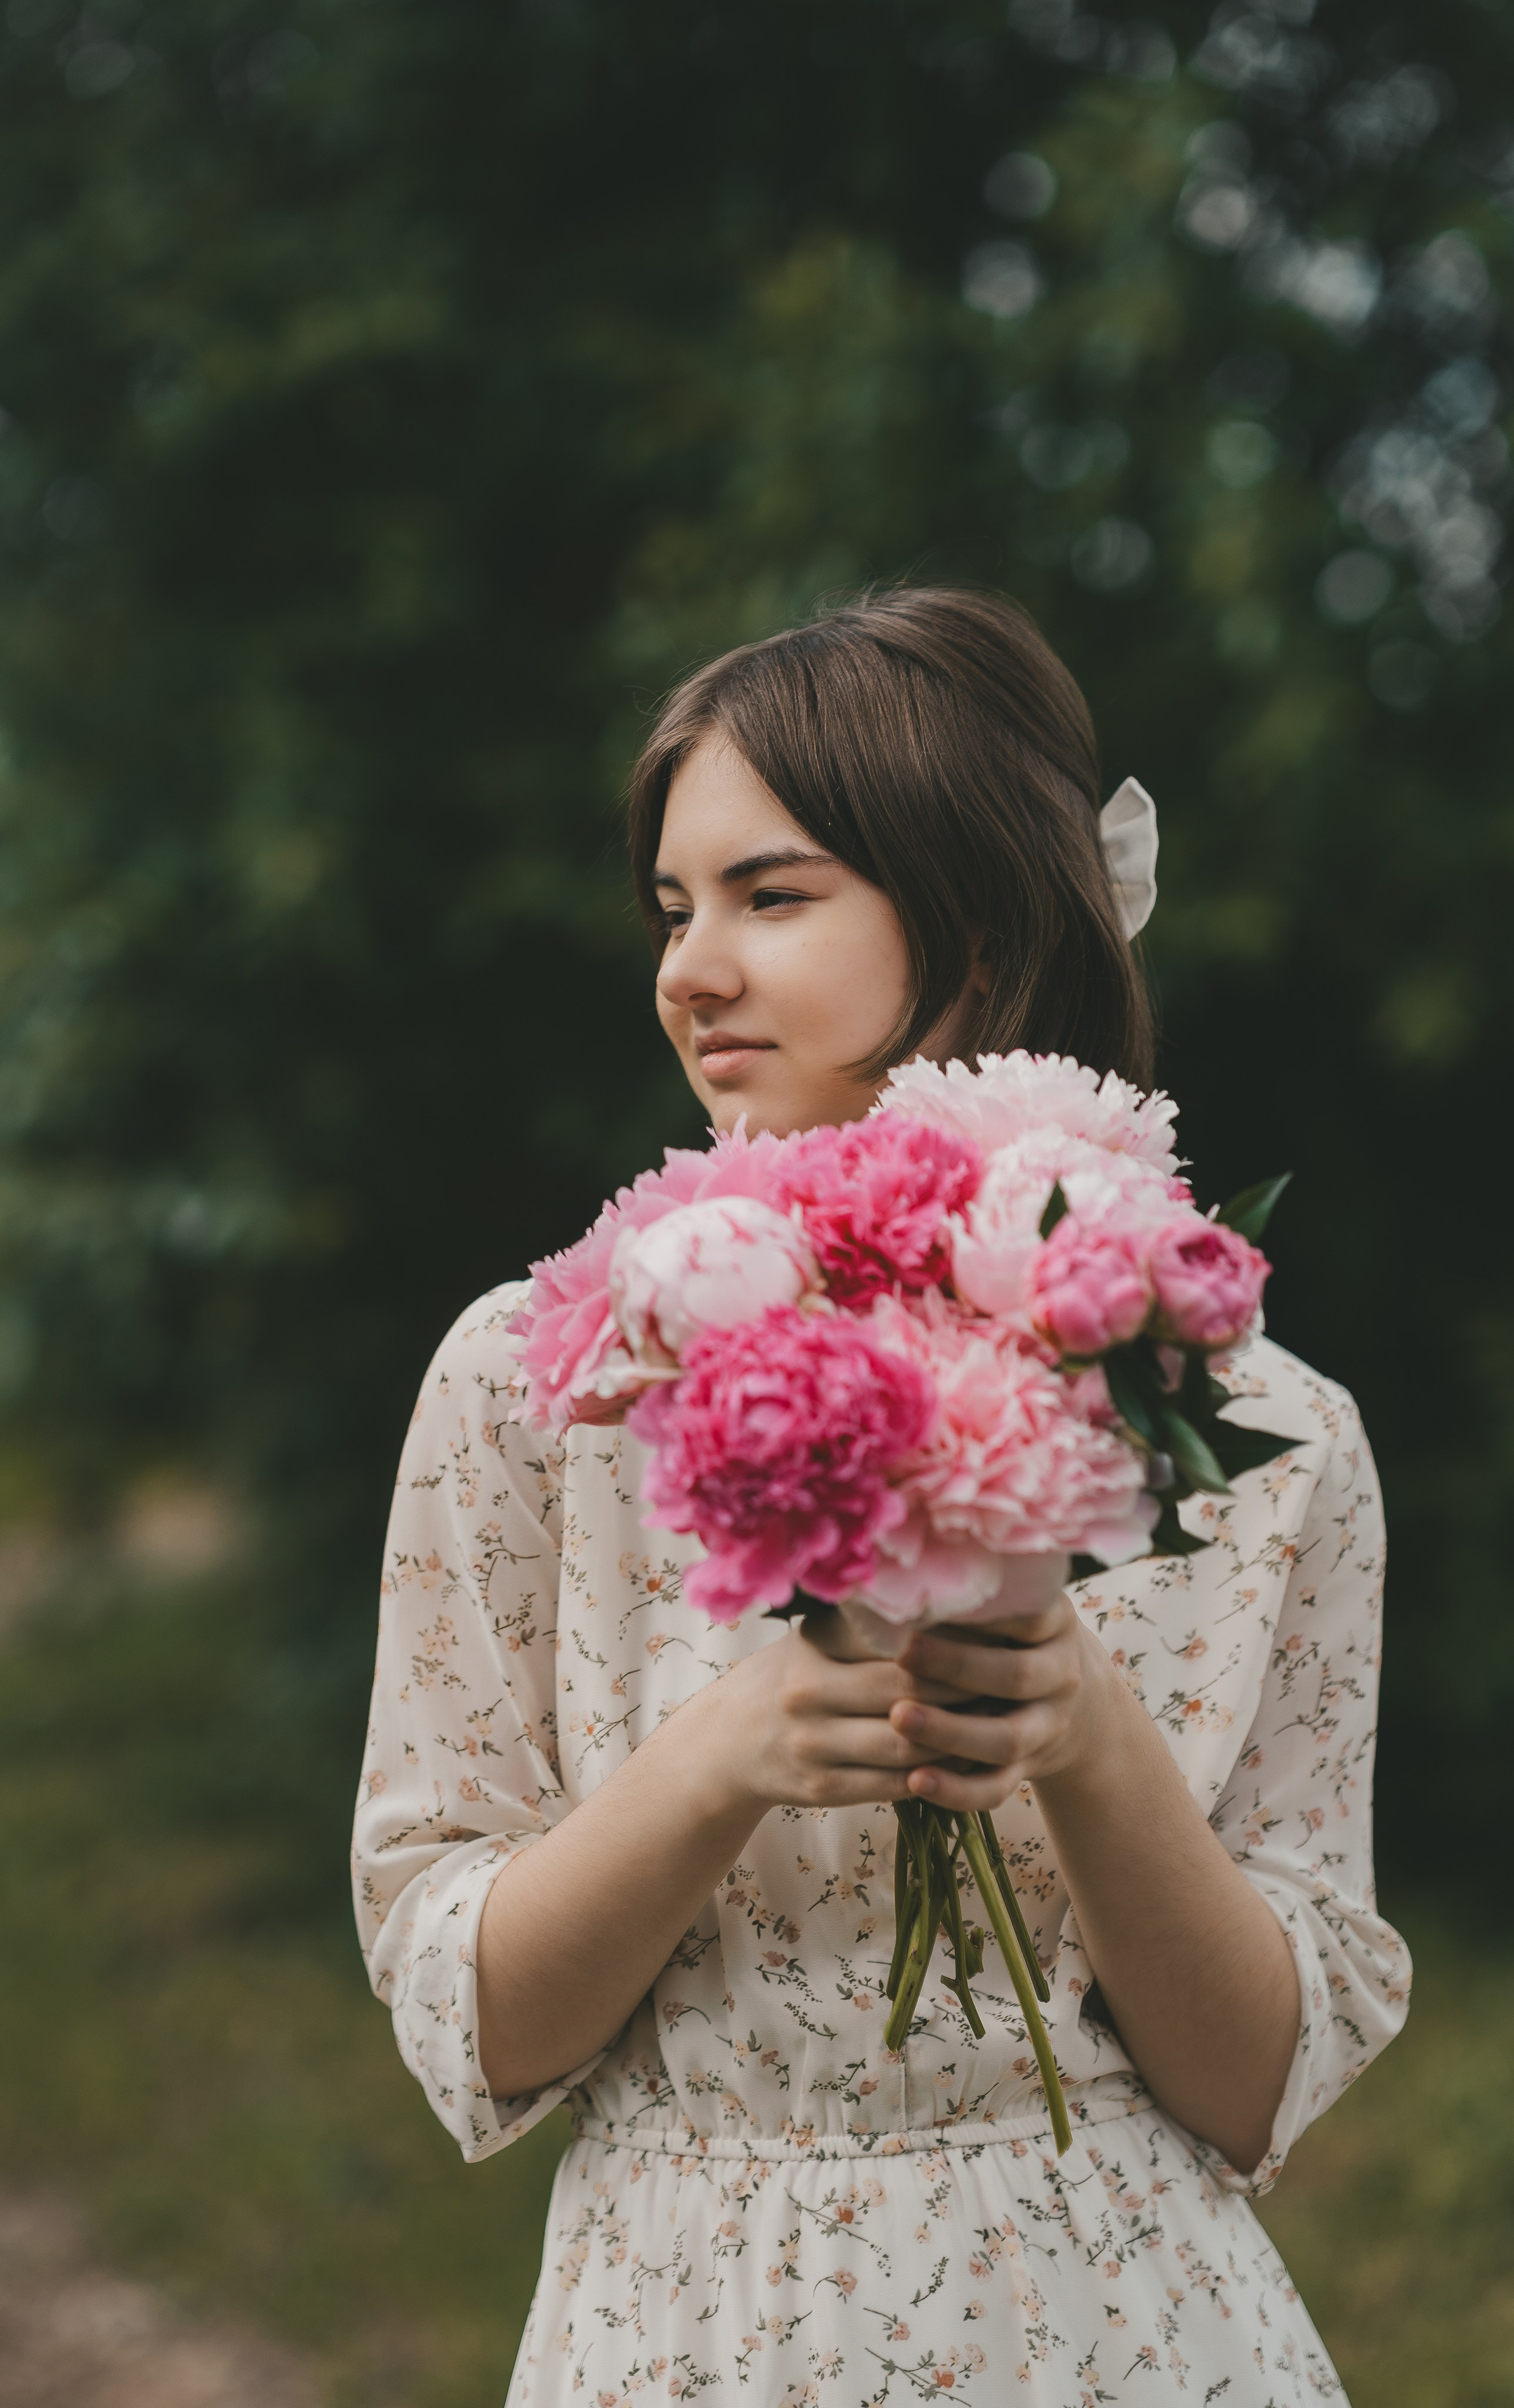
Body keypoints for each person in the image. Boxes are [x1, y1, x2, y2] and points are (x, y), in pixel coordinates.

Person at [352, 586, 1410, 2405]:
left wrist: (1083, 1733)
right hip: (685, 2330)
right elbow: (477, 2024)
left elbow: (1254, 2090)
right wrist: (722, 1752)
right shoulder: (548, 1378)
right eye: (673, 908)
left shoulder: (1247, 1420)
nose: (690, 969)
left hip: (1119, 2333)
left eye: (771, 897)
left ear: (983, 924)